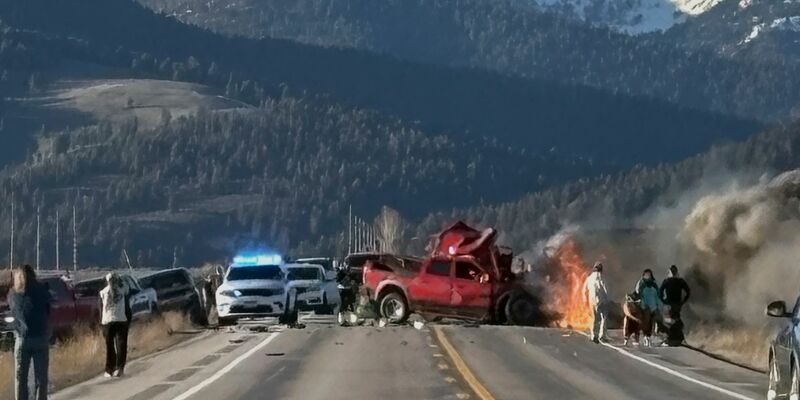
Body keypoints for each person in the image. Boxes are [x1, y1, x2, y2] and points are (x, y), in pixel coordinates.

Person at [8, 264, 51, 400]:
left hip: (22, 338)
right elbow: (48, 310)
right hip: (41, 337)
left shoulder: (13, 294)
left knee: (20, 378)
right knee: (41, 378)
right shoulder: (42, 290)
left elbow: (14, 312)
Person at [100, 273, 131, 378]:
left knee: (110, 346)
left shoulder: (103, 292)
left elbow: (100, 308)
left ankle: (109, 369)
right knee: (121, 344)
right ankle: (120, 368)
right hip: (121, 319)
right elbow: (127, 305)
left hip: (107, 321)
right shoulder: (123, 290)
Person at [660, 265, 690, 346]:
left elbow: (660, 292)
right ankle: (678, 338)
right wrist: (683, 301)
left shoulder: (666, 281)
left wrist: (664, 300)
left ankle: (671, 339)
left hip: (670, 304)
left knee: (671, 321)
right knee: (675, 319)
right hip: (676, 304)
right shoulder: (680, 281)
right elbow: (688, 292)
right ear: (677, 272)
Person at [583, 262, 609, 344]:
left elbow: (584, 290)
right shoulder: (601, 278)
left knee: (594, 318)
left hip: (592, 300)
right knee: (603, 318)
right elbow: (606, 289)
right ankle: (602, 336)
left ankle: (594, 336)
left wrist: (585, 300)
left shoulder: (589, 278)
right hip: (602, 300)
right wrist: (609, 299)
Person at [634, 268, 661, 347]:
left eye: (649, 274)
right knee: (646, 322)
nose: (647, 276)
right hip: (644, 306)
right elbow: (637, 292)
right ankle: (645, 337)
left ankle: (648, 337)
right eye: (646, 274)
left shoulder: (654, 284)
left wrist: (657, 305)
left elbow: (657, 295)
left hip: (653, 306)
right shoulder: (641, 283)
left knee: (651, 323)